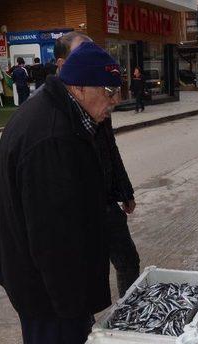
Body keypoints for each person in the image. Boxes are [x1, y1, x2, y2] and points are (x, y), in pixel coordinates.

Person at [0, 42, 125, 344]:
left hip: (50, 285)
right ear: (78, 88)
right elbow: (51, 237)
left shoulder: (63, 114)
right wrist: (72, 309)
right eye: (108, 92)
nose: (115, 101)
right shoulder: (52, 137)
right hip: (49, 293)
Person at [52, 31, 141, 299]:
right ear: (61, 64)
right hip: (77, 210)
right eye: (81, 55)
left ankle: (130, 312)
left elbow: (109, 149)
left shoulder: (96, 100)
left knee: (127, 260)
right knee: (82, 274)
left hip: (104, 200)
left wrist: (124, 190)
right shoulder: (55, 112)